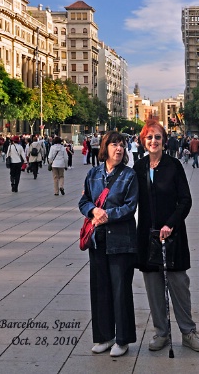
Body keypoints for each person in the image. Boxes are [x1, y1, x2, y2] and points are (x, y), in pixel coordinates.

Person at [133, 120, 199, 353]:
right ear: (143, 141)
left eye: (157, 137)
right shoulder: (139, 167)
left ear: (164, 140)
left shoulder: (174, 166)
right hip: (147, 236)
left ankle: (188, 332)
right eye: (149, 137)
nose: (153, 141)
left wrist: (171, 224)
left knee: (178, 284)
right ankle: (161, 332)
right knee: (153, 287)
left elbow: (185, 200)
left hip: (172, 236)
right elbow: (125, 196)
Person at [79, 131, 138, 357]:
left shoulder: (129, 176)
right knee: (100, 288)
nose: (119, 148)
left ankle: (122, 339)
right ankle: (104, 336)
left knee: (120, 290)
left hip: (121, 240)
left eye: (122, 145)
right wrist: (93, 210)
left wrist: (107, 215)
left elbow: (130, 206)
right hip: (98, 240)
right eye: (114, 144)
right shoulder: (93, 174)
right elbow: (83, 200)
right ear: (105, 147)